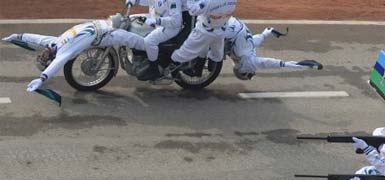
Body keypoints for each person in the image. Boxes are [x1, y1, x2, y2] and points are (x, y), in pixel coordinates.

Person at [3, 17, 145, 92]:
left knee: (146, 41)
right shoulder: (62, 52)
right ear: (50, 59)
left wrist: (18, 36)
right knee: (145, 42)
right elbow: (57, 64)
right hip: (109, 31)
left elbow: (38, 39)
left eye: (42, 55)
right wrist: (42, 78)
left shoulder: (55, 43)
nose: (44, 52)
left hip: (108, 26)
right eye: (44, 57)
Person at [213, 17, 323, 80]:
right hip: (231, 26)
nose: (252, 71)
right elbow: (272, 63)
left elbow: (258, 38)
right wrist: (303, 64)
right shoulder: (248, 60)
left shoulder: (247, 52)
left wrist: (268, 32)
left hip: (233, 23)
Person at [169, 0, 237, 74]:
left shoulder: (208, 2)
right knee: (216, 54)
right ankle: (206, 66)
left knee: (185, 52)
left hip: (205, 30)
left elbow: (193, 11)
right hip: (221, 30)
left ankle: (170, 64)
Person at [125, 0, 185, 80]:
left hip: (170, 28)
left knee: (149, 42)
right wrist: (135, 1)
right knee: (132, 18)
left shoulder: (173, 1)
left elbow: (176, 21)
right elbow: (149, 1)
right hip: (157, 22)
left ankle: (154, 69)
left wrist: (157, 21)